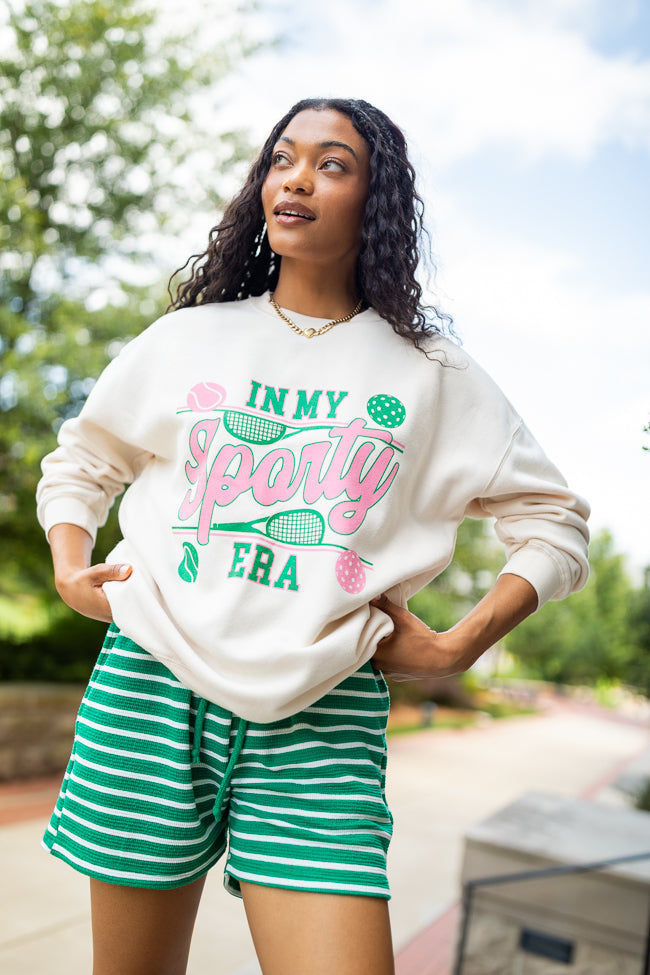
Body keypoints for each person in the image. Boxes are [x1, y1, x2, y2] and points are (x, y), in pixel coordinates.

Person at [36, 97, 589, 975]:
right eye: (283, 159)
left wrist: (460, 644)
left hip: (322, 710)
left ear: (376, 202)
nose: (296, 178)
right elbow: (84, 460)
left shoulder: (432, 373)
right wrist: (71, 567)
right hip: (151, 684)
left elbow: (553, 522)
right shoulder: (190, 339)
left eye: (332, 164)